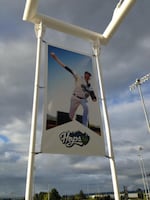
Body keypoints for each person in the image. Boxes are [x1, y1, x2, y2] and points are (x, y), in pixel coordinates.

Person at [50, 52, 97, 126]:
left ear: (89, 77)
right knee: (71, 115)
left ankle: (84, 125)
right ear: (84, 75)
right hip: (75, 98)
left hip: (83, 100)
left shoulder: (89, 85)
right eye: (86, 74)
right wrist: (56, 58)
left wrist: (94, 98)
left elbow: (92, 94)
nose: (87, 75)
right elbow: (67, 68)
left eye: (88, 75)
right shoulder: (78, 77)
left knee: (86, 108)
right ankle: (71, 121)